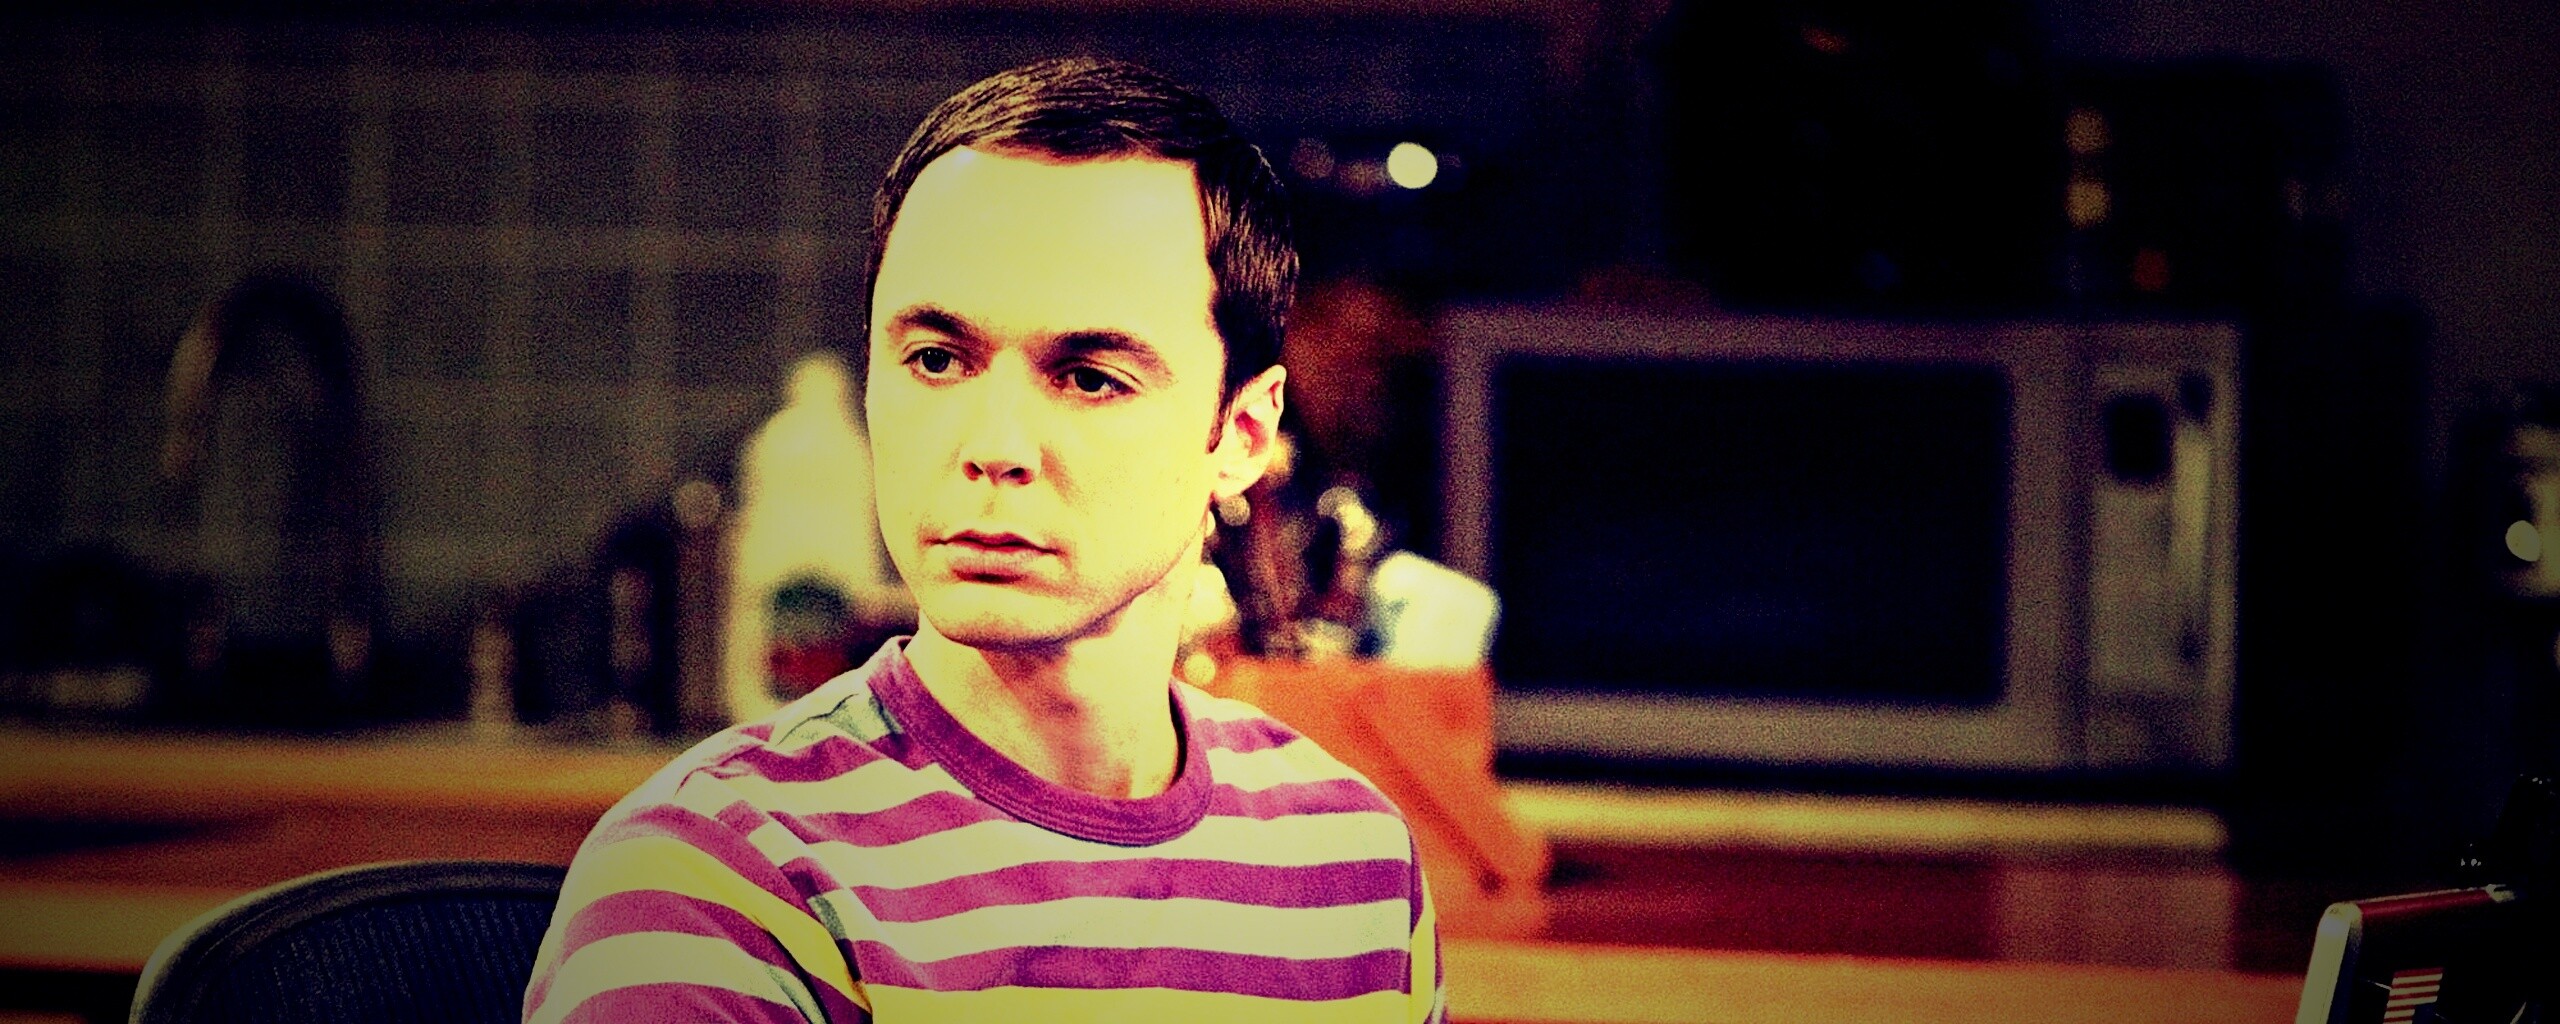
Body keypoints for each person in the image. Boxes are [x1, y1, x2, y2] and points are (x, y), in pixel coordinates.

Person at [523, 57, 1444, 1023]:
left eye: (1089, 377)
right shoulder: (719, 876)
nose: (992, 447)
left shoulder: (1354, 867)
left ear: (1242, 437)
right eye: (935, 360)